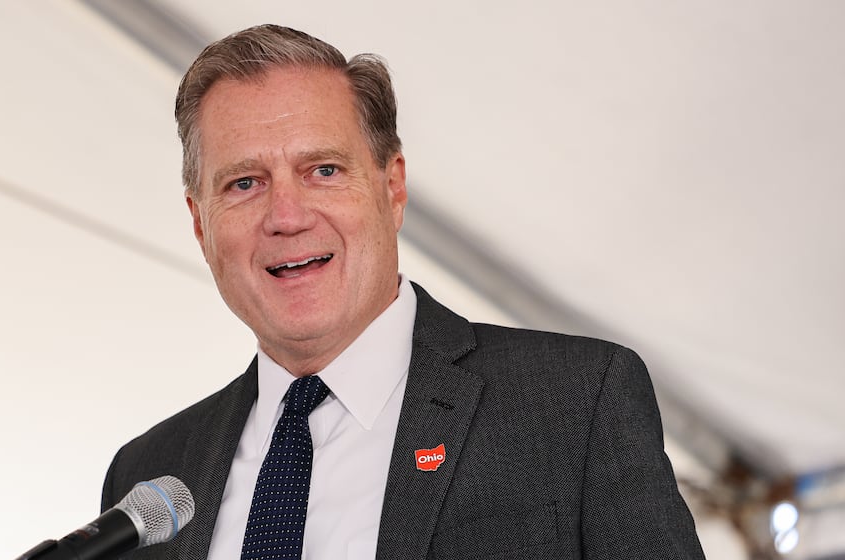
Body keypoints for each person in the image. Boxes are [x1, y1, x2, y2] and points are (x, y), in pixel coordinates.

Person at [102, 24, 705, 560]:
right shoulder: (149, 473)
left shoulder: (572, 403)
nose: (286, 215)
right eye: (244, 182)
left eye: (325, 171)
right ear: (201, 223)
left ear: (392, 188)